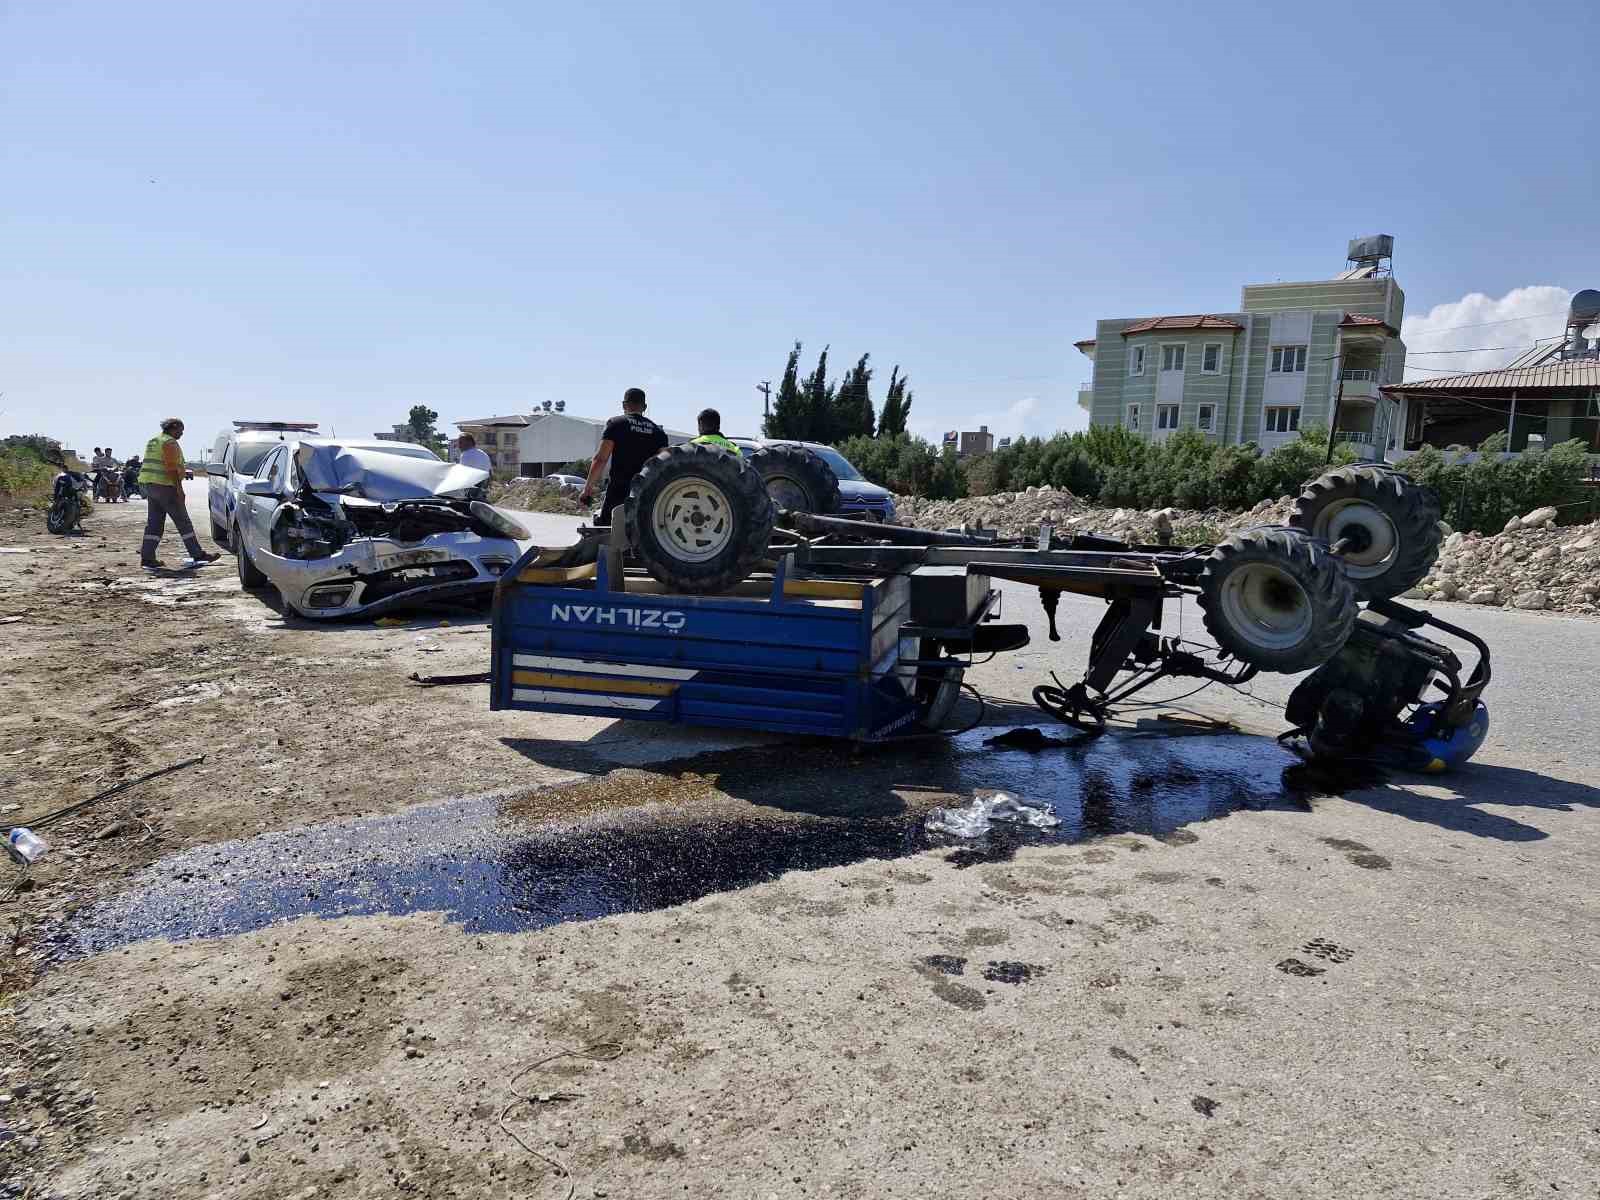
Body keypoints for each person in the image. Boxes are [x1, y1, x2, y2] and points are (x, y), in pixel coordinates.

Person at [136, 417, 221, 570]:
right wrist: (179, 489)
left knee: (154, 524)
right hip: (165, 487)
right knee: (183, 522)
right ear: (173, 428)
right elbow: (172, 469)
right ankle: (197, 554)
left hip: (151, 486)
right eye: (180, 430)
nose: (182, 433)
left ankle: (147, 557)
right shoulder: (169, 443)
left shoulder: (154, 440)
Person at [580, 387, 668, 524]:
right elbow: (663, 465)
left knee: (608, 531)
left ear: (623, 405)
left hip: (618, 491)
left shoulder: (616, 424)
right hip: (646, 493)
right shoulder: (658, 432)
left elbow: (601, 459)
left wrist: (587, 490)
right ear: (644, 407)